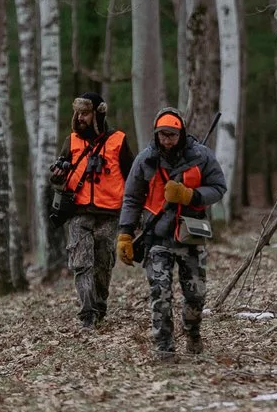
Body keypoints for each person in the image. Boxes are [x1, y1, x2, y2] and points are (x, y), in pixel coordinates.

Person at [117, 108, 226, 360]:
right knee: (160, 293)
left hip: (192, 235)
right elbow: (131, 198)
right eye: (162, 135)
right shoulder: (145, 160)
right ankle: (164, 349)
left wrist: (191, 195)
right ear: (155, 134)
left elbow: (219, 188)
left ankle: (193, 334)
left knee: (195, 295)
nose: (167, 140)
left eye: (172, 135)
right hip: (156, 236)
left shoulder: (202, 156)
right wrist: (124, 233)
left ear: (181, 133)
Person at [46, 92, 127, 332]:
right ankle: (88, 315)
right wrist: (57, 178)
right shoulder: (70, 141)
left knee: (103, 262)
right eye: (77, 113)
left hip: (109, 213)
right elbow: (59, 175)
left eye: (85, 113)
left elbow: (133, 177)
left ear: (98, 113)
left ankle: (100, 306)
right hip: (78, 212)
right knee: (81, 262)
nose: (80, 117)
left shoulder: (118, 141)